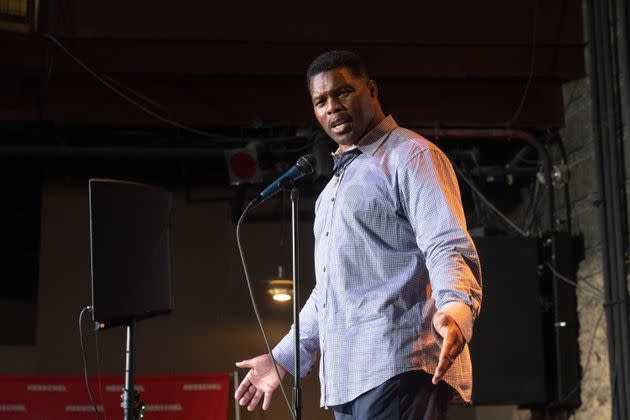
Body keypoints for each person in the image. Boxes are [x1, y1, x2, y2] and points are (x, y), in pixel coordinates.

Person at [234, 50, 483, 420]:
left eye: (342, 93)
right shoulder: (331, 191)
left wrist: (455, 308)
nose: (332, 107)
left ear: (371, 89)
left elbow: (445, 243)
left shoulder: (410, 156)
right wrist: (284, 357)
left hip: (398, 362)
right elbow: (329, 291)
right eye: (320, 101)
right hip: (348, 377)